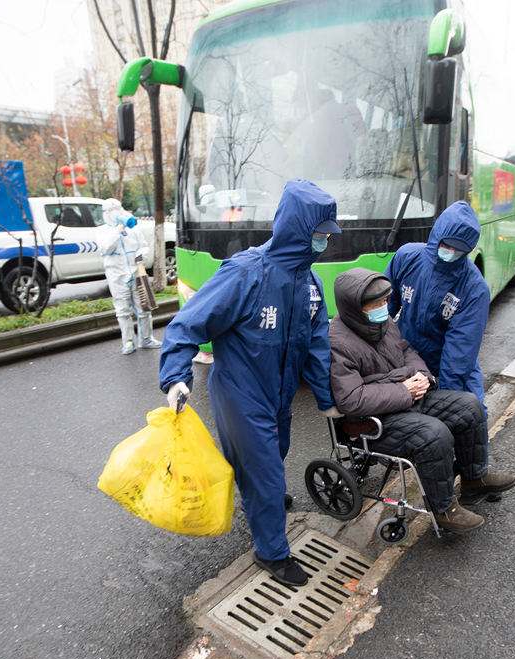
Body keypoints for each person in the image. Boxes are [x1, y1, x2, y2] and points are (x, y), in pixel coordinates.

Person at [159, 179, 343, 587]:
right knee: (264, 471)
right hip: (240, 394)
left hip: (279, 396)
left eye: (328, 235)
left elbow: (316, 345)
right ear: (298, 229)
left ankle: (266, 502)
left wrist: (327, 398)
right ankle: (272, 553)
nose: (324, 242)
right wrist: (176, 376)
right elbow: (187, 324)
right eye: (319, 234)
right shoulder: (245, 274)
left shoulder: (308, 283)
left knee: (275, 454)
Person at [329, 267, 515, 532]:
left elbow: (407, 351)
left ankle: (475, 479)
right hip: (373, 422)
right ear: (355, 307)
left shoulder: (382, 323)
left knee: (468, 406)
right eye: (376, 304)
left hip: (406, 398)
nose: (384, 307)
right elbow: (351, 399)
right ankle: (443, 510)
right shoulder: (337, 341)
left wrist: (422, 377)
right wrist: (404, 390)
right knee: (433, 434)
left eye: (386, 301)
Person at [384, 200, 489, 409]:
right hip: (408, 357)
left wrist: (444, 401)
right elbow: (384, 305)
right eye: (446, 245)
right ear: (436, 236)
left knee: (469, 415)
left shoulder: (474, 289)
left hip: (449, 366)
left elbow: (458, 356)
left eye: (458, 250)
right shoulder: (407, 258)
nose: (450, 253)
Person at [98, 198, 162, 354]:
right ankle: (128, 341)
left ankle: (146, 338)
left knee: (144, 308)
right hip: (117, 276)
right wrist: (118, 230)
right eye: (111, 210)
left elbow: (144, 246)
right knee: (122, 310)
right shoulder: (102, 231)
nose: (115, 213)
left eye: (117, 209)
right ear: (105, 213)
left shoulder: (133, 229)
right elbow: (105, 248)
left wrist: (141, 255)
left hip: (136, 273)